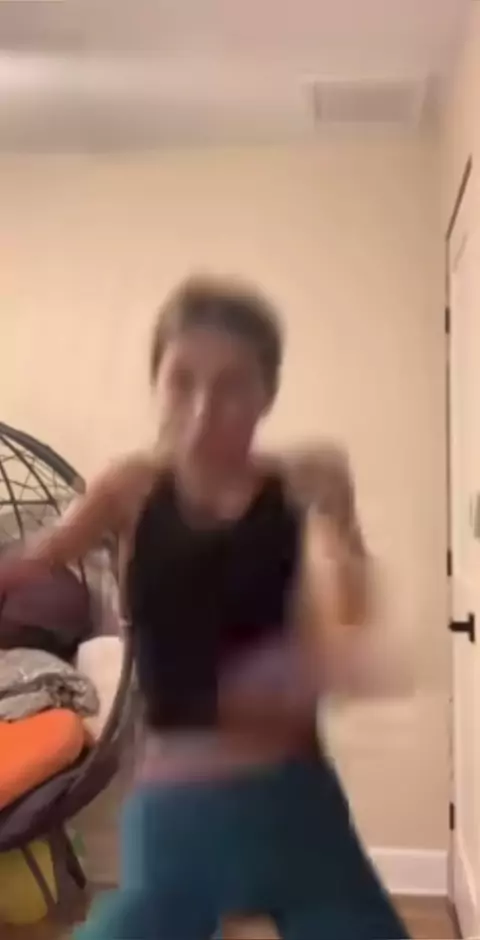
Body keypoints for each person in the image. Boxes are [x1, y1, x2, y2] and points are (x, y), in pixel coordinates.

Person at [0, 276, 409, 940]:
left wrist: (343, 532)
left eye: (232, 386)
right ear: (156, 383)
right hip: (178, 800)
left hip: (294, 793)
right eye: (181, 382)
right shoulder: (129, 488)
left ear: (267, 394)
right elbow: (38, 557)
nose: (201, 410)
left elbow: (354, 614)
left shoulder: (306, 480)